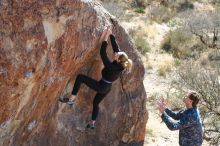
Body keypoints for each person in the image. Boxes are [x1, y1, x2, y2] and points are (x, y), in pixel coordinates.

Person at [59, 26, 133, 129]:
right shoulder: (121, 63)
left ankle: (71, 99)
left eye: (116, 56)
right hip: (107, 88)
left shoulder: (112, 67)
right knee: (95, 103)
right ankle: (92, 124)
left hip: (102, 86)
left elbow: (103, 53)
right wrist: (111, 33)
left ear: (118, 60)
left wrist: (105, 37)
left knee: (80, 77)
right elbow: (116, 48)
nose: (115, 54)